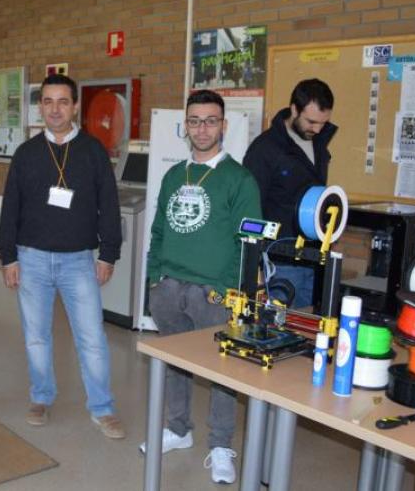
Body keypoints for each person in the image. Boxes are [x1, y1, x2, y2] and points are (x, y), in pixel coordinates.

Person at [140, 90, 262, 484]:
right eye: (194, 121)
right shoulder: (176, 175)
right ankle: (178, 430)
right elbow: (158, 231)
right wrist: (154, 278)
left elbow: (249, 242)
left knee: (222, 372)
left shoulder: (239, 179)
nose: (202, 128)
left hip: (215, 293)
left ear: (223, 126)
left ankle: (221, 445)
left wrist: (229, 290)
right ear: (186, 126)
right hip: (170, 288)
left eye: (210, 120)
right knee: (176, 365)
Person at [0, 74, 126, 439]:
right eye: (48, 102)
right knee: (36, 336)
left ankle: (102, 408)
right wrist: (8, 257)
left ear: (74, 107)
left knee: (91, 337)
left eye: (62, 102)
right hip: (32, 258)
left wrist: (109, 254)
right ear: (40, 107)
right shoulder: (26, 153)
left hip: (78, 260)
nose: (55, 109)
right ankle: (41, 397)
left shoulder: (93, 151)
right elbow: (11, 209)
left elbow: (109, 206)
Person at [243, 78, 336, 308]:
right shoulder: (264, 149)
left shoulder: (319, 143)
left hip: (315, 257)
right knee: (277, 329)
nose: (317, 129)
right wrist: (255, 264)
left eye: (323, 123)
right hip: (280, 260)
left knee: (308, 328)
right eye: (311, 121)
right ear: (294, 109)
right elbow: (250, 207)